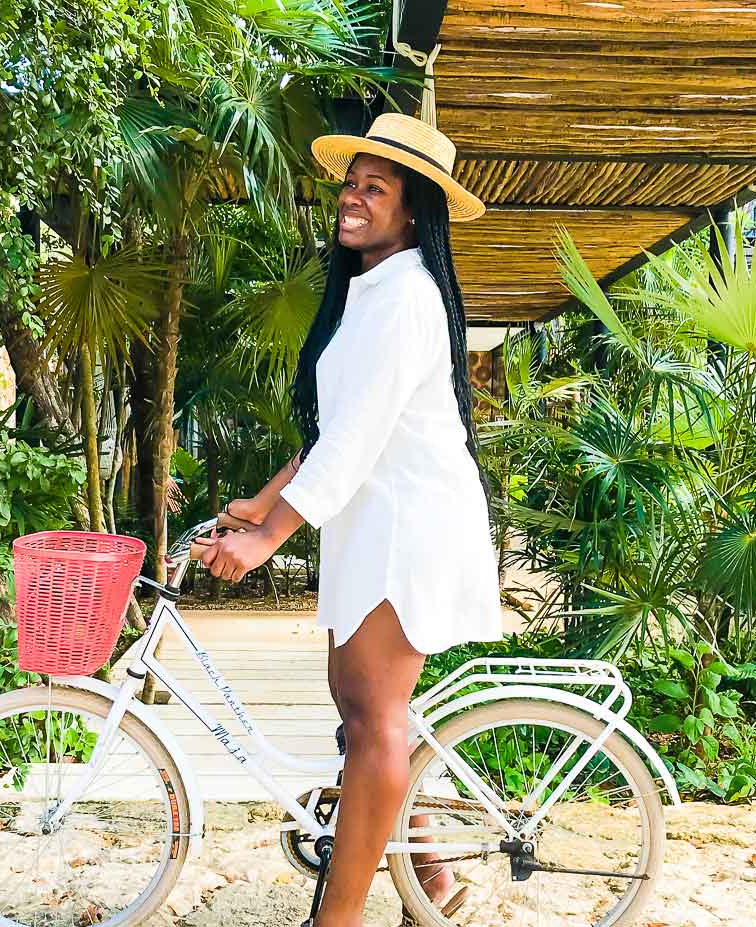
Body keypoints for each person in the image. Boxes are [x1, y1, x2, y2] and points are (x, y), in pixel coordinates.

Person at [194, 112, 504, 927]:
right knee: (363, 709)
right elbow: (340, 429)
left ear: (414, 211)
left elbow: (359, 438)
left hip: (408, 527)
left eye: (377, 188)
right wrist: (261, 502)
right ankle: (429, 872)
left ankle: (340, 919)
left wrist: (268, 538)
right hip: (375, 521)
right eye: (350, 182)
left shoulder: (404, 298)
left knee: (372, 721)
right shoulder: (374, 290)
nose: (353, 198)